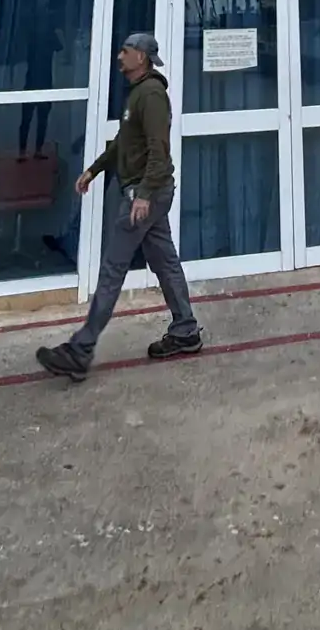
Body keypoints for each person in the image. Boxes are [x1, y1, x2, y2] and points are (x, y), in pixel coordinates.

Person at [36, 33, 202, 382]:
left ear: (141, 57)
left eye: (125, 51)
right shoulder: (138, 94)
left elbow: (160, 151)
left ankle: (80, 350)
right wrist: (94, 170)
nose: (119, 56)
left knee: (112, 268)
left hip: (145, 196)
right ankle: (186, 329)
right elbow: (122, 146)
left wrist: (142, 194)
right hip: (148, 193)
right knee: (165, 261)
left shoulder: (152, 95)